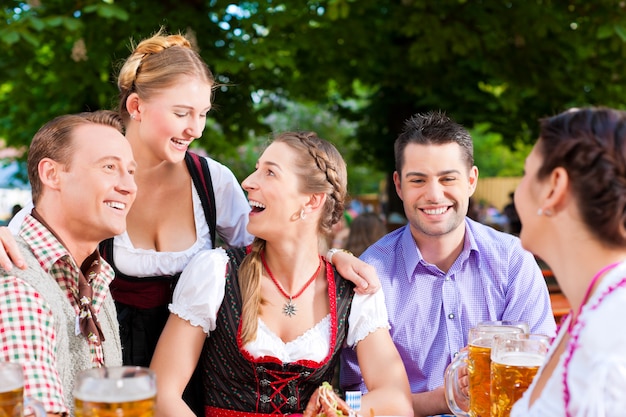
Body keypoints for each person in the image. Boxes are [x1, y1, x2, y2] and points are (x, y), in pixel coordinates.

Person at [0, 28, 378, 415]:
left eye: (202, 115)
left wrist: (333, 256)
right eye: (182, 113)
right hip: (105, 367)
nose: (194, 129)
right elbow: (33, 242)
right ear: (136, 107)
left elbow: (277, 242)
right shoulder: (95, 183)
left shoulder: (211, 182)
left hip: (187, 380)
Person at [150, 131, 414, 417]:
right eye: (256, 170)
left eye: (270, 173)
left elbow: (397, 400)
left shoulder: (352, 289)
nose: (248, 182)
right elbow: (161, 392)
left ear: (312, 201)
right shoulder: (215, 272)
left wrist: (343, 409)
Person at [340, 110, 557, 417]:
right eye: (418, 180)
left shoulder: (512, 260)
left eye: (447, 178)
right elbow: (351, 402)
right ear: (399, 186)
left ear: (471, 180)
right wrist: (444, 399)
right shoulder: (370, 273)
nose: (434, 194)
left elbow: (543, 372)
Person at [0, 110, 137, 415]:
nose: (129, 186)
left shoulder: (95, 279)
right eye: (110, 167)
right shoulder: (16, 279)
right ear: (51, 174)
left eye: (131, 171)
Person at [510, 107, 626, 415]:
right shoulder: (592, 309)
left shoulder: (611, 345)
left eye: (525, 173)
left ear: (554, 187)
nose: (518, 192)